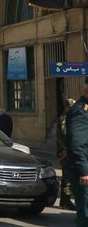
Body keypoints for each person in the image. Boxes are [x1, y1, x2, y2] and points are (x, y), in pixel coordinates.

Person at [66, 78, 88, 226]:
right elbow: (77, 143)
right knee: (86, 213)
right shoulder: (81, 111)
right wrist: (84, 171)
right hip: (83, 171)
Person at [58, 98, 77, 211]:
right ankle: (65, 201)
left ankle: (65, 200)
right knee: (67, 178)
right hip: (65, 152)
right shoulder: (65, 119)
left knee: (68, 176)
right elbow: (66, 135)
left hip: (68, 151)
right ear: (67, 107)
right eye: (71, 107)